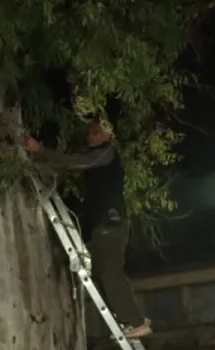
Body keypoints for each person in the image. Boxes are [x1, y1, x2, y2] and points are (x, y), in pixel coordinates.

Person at [23, 118, 151, 338]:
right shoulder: (97, 155)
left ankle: (135, 321)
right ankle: (126, 320)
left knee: (111, 273)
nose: (90, 136)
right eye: (89, 133)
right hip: (98, 225)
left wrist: (40, 150)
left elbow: (73, 162)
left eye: (96, 132)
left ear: (107, 135)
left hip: (110, 223)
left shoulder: (106, 153)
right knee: (99, 273)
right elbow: (68, 163)